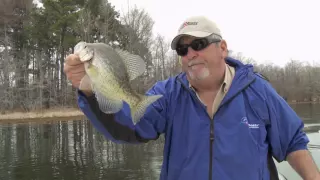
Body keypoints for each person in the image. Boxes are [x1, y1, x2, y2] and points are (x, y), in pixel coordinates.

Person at [64, 16, 320, 180]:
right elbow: (129, 128)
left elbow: (293, 143)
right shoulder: (167, 94)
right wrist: (89, 89)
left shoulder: (258, 91)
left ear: (222, 48)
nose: (190, 54)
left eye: (198, 45)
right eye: (182, 49)